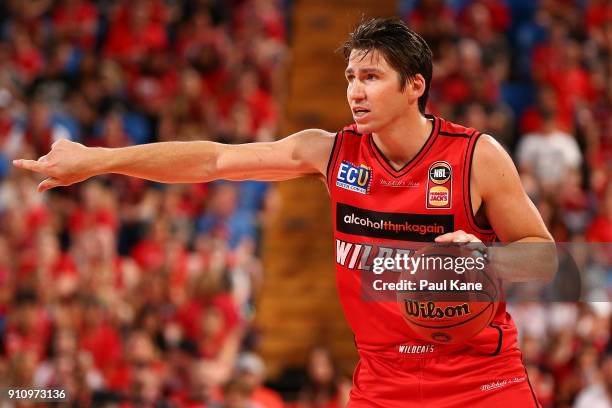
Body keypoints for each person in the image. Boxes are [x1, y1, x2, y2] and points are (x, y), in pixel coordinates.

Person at [13, 17, 555, 407]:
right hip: (384, 385)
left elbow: (547, 261)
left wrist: (485, 262)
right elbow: (213, 161)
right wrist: (100, 159)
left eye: (371, 77)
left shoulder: (475, 157)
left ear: (415, 86)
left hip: (482, 384)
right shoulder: (329, 151)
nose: (355, 92)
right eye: (350, 77)